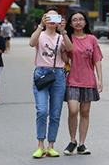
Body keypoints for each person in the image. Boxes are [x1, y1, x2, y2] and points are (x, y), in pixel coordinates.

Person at [28, 9, 73, 158]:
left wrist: (64, 31)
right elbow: (31, 43)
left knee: (55, 113)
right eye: (49, 17)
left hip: (58, 74)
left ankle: (51, 145)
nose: (52, 20)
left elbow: (70, 48)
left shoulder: (61, 37)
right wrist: (40, 25)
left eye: (56, 17)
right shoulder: (40, 35)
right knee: (42, 111)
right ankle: (40, 145)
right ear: (45, 18)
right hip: (41, 73)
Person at [63, 11, 103, 156]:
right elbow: (64, 58)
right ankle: (72, 140)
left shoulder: (92, 39)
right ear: (70, 23)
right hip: (72, 80)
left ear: (85, 22)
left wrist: (100, 79)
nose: (78, 22)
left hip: (88, 81)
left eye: (81, 19)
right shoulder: (68, 38)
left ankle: (81, 144)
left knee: (85, 112)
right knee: (73, 110)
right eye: (74, 20)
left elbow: (97, 60)